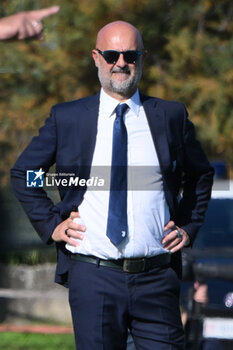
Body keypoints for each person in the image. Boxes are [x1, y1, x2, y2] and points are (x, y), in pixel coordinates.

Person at [10, 21, 214, 350]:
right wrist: (51, 224)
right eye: (111, 54)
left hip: (157, 278)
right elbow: (26, 174)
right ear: (96, 57)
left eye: (130, 55)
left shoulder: (170, 116)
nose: (120, 62)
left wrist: (189, 225)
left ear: (142, 58)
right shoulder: (68, 118)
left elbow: (201, 174)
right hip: (94, 277)